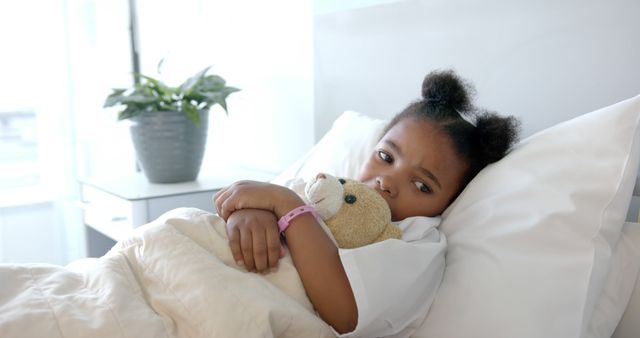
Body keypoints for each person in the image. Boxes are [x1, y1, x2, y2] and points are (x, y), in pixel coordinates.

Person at [213, 69, 520, 337]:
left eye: (421, 185)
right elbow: (248, 202)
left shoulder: (419, 242)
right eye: (385, 157)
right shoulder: (328, 188)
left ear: (449, 202)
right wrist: (250, 212)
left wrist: (288, 208)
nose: (386, 181)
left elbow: (345, 314)